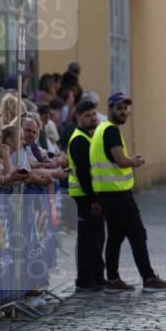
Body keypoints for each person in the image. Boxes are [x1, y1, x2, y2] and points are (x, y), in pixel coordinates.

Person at [89, 91, 166, 292]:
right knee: (137, 233)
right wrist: (133, 162)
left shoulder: (101, 129)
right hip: (117, 194)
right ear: (109, 109)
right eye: (119, 108)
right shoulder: (110, 131)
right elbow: (119, 160)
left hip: (106, 193)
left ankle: (113, 279)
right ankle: (149, 277)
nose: (124, 112)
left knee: (116, 236)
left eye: (126, 108)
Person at [67, 98, 106, 292]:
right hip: (83, 197)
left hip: (90, 196)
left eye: (94, 114)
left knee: (97, 237)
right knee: (87, 239)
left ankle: (98, 276)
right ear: (78, 117)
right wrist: (93, 200)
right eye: (87, 115)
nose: (92, 118)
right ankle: (84, 278)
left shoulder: (89, 136)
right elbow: (83, 173)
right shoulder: (79, 140)